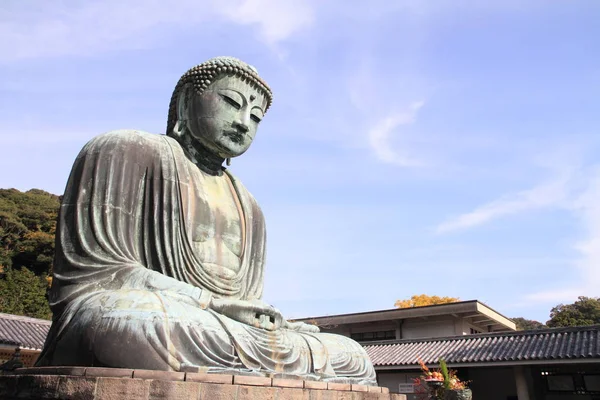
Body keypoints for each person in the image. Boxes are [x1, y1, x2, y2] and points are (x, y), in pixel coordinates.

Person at [36, 57, 376, 385]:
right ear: (187, 102)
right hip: (150, 312)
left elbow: (246, 299)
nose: (244, 122)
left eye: (256, 117)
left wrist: (265, 322)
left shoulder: (250, 205)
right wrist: (209, 302)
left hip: (217, 326)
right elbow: (100, 275)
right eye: (231, 102)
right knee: (126, 324)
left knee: (350, 355)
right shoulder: (122, 149)